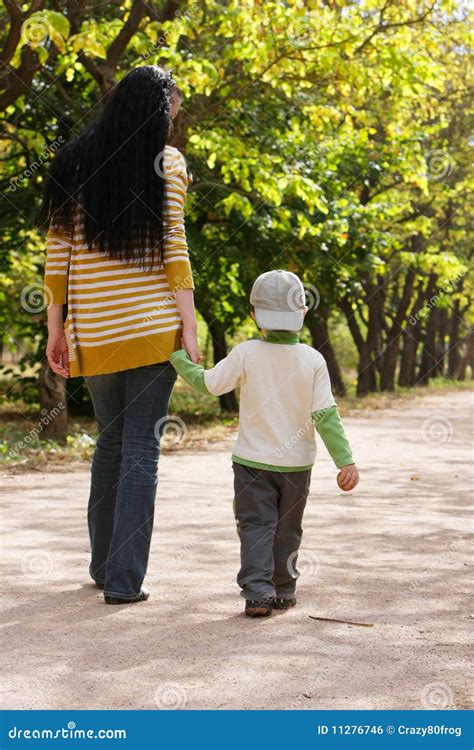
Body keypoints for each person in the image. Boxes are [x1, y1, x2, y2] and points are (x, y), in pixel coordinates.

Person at [39, 66, 200, 605]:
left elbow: (55, 261)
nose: (177, 113)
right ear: (159, 107)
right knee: (139, 451)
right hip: (154, 328)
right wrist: (190, 325)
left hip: (97, 331)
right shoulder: (167, 163)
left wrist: (55, 332)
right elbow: (175, 246)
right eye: (174, 104)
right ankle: (124, 581)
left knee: (111, 443)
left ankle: (104, 564)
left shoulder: (73, 163)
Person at [170, 269, 359, 617]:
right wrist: (344, 460)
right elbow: (326, 415)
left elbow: (211, 384)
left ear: (254, 314)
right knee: (288, 529)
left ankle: (258, 591)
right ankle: (284, 590)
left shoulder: (246, 352)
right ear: (302, 312)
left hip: (251, 464)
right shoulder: (314, 360)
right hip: (297, 468)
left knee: (255, 526)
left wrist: (180, 359)